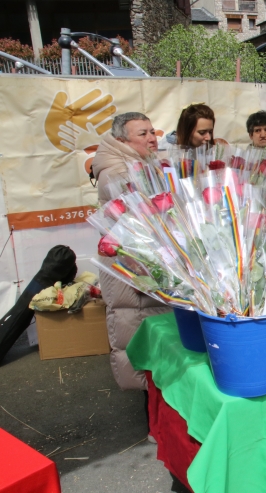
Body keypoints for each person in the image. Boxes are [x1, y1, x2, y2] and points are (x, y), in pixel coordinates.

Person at [91, 113, 171, 391]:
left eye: (152, 131)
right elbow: (138, 221)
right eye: (143, 134)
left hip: (145, 261)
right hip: (131, 264)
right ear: (122, 140)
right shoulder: (119, 172)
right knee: (135, 329)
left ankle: (156, 405)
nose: (152, 138)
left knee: (150, 330)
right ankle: (150, 411)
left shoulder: (143, 163)